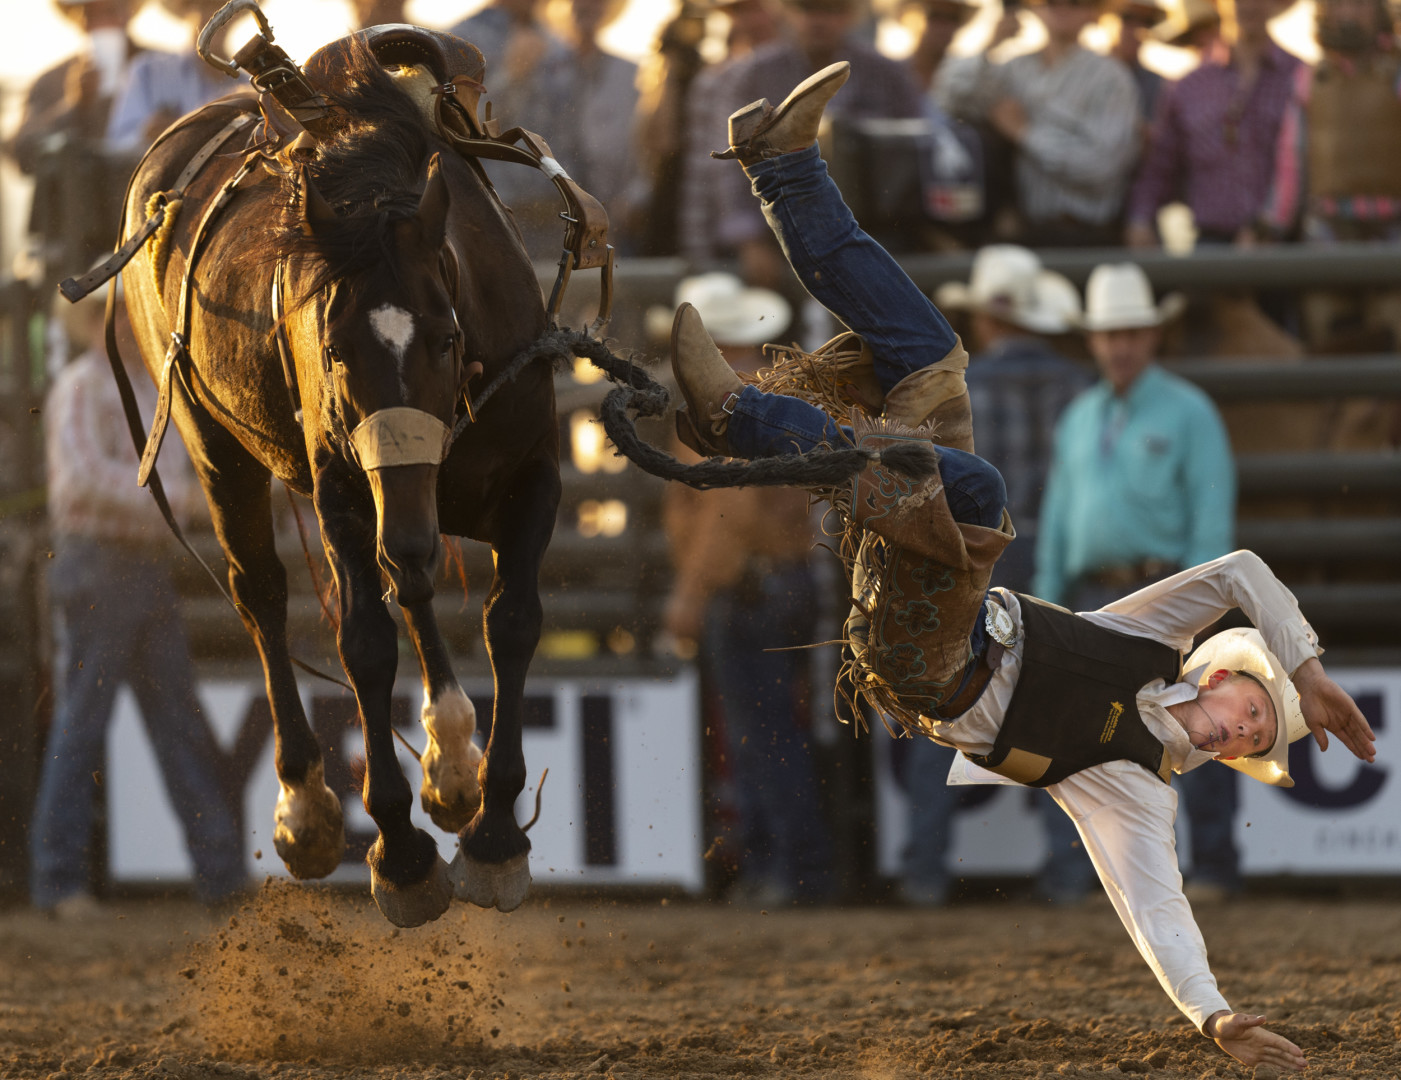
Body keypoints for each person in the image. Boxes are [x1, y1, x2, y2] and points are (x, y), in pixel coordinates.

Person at [665, 62, 1375, 1073]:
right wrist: (1303, 665)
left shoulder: (1132, 794)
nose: (1242, 728)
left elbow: (1155, 911)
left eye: (1255, 733)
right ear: (1228, 678)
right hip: (940, 593)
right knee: (928, 357)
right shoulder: (1143, 641)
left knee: (980, 488)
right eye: (1254, 710)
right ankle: (786, 169)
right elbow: (1238, 569)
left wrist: (1212, 1015)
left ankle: (736, 414)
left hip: (932, 657)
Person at [30, 294, 246, 917]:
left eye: (127, 314)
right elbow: (78, 480)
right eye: (114, 314)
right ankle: (59, 879)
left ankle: (221, 877)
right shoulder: (81, 387)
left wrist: (179, 498)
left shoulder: (149, 391)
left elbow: (148, 475)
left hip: (134, 567)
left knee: (160, 723)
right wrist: (172, 500)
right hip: (100, 563)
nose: (124, 324)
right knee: (87, 723)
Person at [1033, 263, 1242, 901]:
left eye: (1130, 332)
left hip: (1165, 592)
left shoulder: (1188, 412)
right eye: (1109, 334)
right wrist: (1047, 601)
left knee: (1194, 730)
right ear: (1095, 341)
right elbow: (1060, 519)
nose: (1120, 345)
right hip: (1096, 595)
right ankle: (1088, 871)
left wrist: (1201, 602)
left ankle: (1209, 864)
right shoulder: (1080, 417)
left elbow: (1211, 514)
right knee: (1084, 735)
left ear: (1151, 336)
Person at [661, 273, 835, 906]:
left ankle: (795, 869)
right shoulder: (762, 397)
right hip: (780, 581)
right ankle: (780, 864)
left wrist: (689, 592)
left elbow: (726, 514)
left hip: (750, 587)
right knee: (766, 731)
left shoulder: (723, 408)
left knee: (762, 735)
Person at [683, 0, 924, 284]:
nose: (818, 20)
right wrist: (750, 241)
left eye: (831, 10)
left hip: (875, 237)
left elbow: (922, 148)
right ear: (789, 13)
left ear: (850, 16)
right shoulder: (752, 73)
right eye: (808, 9)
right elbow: (730, 164)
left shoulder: (887, 73)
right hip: (779, 239)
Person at [940, 0, 1142, 246]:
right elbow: (949, 96)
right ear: (1035, 9)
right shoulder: (1015, 69)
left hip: (1087, 238)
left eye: (1075, 3)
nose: (1061, 8)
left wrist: (1025, 133)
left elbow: (1101, 167)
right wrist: (991, 42)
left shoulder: (1112, 78)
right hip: (1025, 234)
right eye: (1050, 2)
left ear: (1093, 12)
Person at [1126, 0, 1301, 250]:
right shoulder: (1189, 86)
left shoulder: (1300, 77)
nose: (1249, 5)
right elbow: (1160, 164)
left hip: (1283, 243)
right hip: (1211, 243)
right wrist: (1139, 220)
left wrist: (1268, 228)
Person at [8, 0, 141, 287]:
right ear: (80, 21)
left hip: (146, 227)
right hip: (74, 240)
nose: (99, 22)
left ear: (128, 13)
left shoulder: (161, 69)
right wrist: (72, 106)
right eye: (90, 14)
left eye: (109, 11)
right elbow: (21, 154)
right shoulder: (52, 81)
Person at [105, 0, 232, 153]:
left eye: (222, 6)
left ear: (236, 14)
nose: (215, 15)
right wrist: (147, 133)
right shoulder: (147, 71)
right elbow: (117, 143)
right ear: (187, 11)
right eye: (203, 5)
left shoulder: (251, 86)